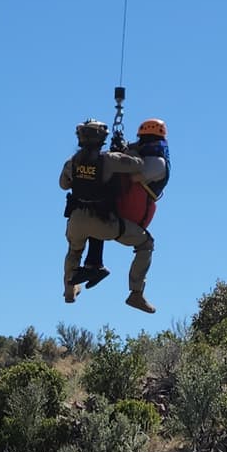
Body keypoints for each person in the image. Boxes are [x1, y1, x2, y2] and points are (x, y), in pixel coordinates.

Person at [60, 119, 158, 313]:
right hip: (103, 222)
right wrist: (124, 150)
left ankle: (69, 290)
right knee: (146, 243)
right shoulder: (109, 160)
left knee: (74, 252)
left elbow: (64, 184)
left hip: (76, 220)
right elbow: (138, 165)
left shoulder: (72, 162)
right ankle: (136, 293)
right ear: (101, 139)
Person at [74, 118, 170, 286]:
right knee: (96, 212)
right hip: (124, 211)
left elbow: (135, 174)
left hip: (132, 214)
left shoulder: (157, 163)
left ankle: (136, 291)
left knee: (146, 243)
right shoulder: (152, 153)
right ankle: (94, 265)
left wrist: (122, 154)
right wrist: (120, 152)